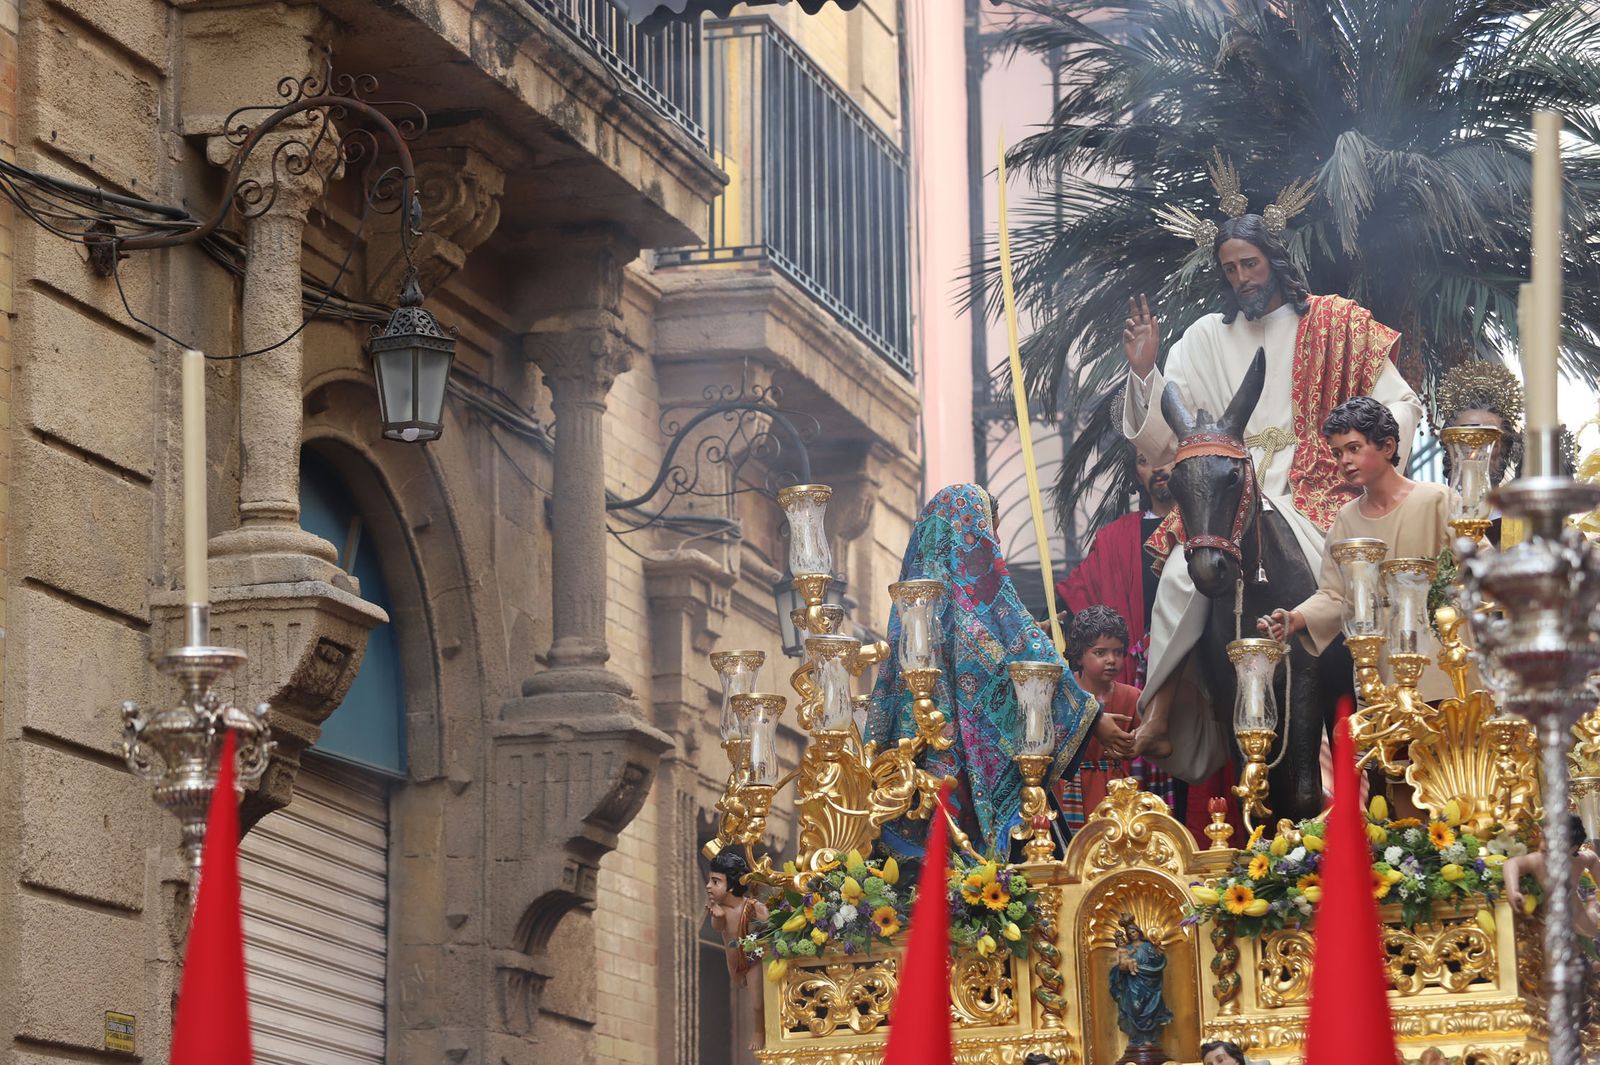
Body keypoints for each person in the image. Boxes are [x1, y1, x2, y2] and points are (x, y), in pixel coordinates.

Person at [1121, 209, 1424, 777]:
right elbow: (1166, 441)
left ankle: (1390, 695)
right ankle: (1159, 706)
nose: (1242, 278)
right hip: (1230, 492)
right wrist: (1143, 374)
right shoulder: (1205, 339)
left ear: (1275, 260)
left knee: (1365, 570)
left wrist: (1361, 455)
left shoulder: (1335, 324)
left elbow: (1401, 403)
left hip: (1320, 491)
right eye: (1230, 268)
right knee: (1188, 565)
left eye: (1250, 264)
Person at [865, 484, 1114, 859]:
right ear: (970, 534)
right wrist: (1093, 716)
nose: (996, 543)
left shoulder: (912, 613)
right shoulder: (985, 600)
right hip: (975, 783)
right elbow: (1028, 655)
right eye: (990, 531)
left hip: (915, 777)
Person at [1258, 397, 1454, 702]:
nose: (1344, 461)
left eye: (1354, 448)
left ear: (1387, 447)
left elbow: (1474, 564)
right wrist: (1296, 619)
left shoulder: (1437, 500)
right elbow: (1335, 594)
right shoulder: (1346, 520)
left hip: (1440, 664)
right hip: (1379, 668)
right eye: (1337, 453)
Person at [1056, 444, 1175, 687]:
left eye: (1167, 456)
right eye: (1145, 460)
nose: (1158, 467)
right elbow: (1074, 604)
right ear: (1136, 476)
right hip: (1137, 677)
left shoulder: (1209, 529)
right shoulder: (1114, 538)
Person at [1058, 607, 1139, 832]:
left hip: (1115, 790)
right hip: (1069, 788)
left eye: (1118, 652)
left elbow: (1159, 745)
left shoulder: (1131, 697)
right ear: (1079, 655)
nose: (1111, 660)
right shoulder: (1062, 692)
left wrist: (1136, 743)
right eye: (1100, 653)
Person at [705, 849, 769, 1051]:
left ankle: (759, 1031)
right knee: (740, 985)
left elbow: (769, 927)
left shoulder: (752, 907)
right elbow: (717, 927)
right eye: (710, 881)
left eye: (715, 882)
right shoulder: (720, 910)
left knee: (757, 1003)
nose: (709, 886)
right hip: (733, 963)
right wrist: (717, 916)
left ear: (731, 886)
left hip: (752, 958)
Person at [1109, 913, 1173, 1055]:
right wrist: (1121, 969)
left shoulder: (1147, 946)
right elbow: (1120, 966)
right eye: (1129, 933)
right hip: (1132, 985)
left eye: (1133, 931)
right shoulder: (1127, 948)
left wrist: (1158, 954)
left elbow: (1157, 961)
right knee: (1135, 1009)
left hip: (1150, 984)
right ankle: (1137, 1040)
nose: (1132, 934)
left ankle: (1151, 1039)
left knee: (1151, 1010)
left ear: (1138, 931)